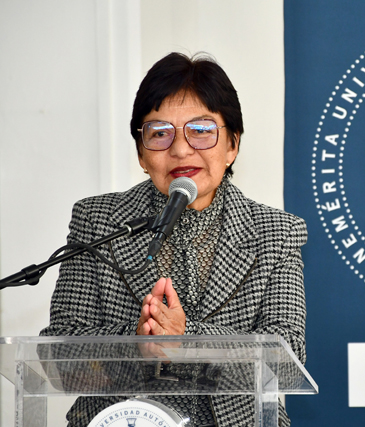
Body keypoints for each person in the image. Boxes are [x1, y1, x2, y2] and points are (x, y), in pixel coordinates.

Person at [40, 52, 307, 427]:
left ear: (232, 145)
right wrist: (135, 343)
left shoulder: (275, 231)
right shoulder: (99, 221)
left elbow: (288, 358)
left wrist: (188, 339)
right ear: (141, 153)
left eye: (201, 130)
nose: (180, 149)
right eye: (160, 133)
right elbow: (60, 361)